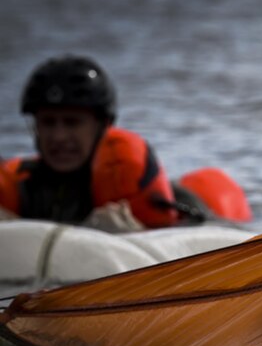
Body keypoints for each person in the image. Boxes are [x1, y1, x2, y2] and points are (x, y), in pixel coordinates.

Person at [0, 55, 178, 231]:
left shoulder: (131, 179)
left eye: (72, 122)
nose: (58, 136)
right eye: (48, 122)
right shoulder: (19, 185)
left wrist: (134, 235)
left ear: (102, 125)